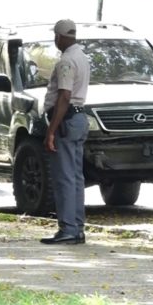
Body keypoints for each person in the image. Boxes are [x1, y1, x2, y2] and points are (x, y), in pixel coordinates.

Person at [40, 19, 91, 245]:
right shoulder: (82, 57)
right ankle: (77, 227)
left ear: (59, 37)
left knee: (64, 177)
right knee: (76, 177)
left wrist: (51, 131)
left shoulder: (67, 61)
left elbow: (64, 96)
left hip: (66, 120)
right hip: (78, 118)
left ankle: (68, 228)